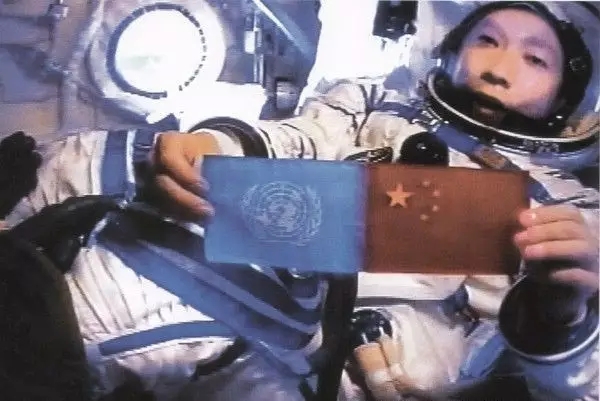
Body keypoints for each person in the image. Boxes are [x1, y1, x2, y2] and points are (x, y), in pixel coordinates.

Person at [3, 1, 599, 400]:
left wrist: (565, 312)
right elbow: (300, 137)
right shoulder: (373, 104)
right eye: (487, 41)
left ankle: (45, 340)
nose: (499, 67)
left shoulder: (571, 210)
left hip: (358, 351)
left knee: (188, 269)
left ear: (565, 99)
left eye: (534, 59)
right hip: (290, 253)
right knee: (131, 152)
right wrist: (214, 146)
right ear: (450, 54)